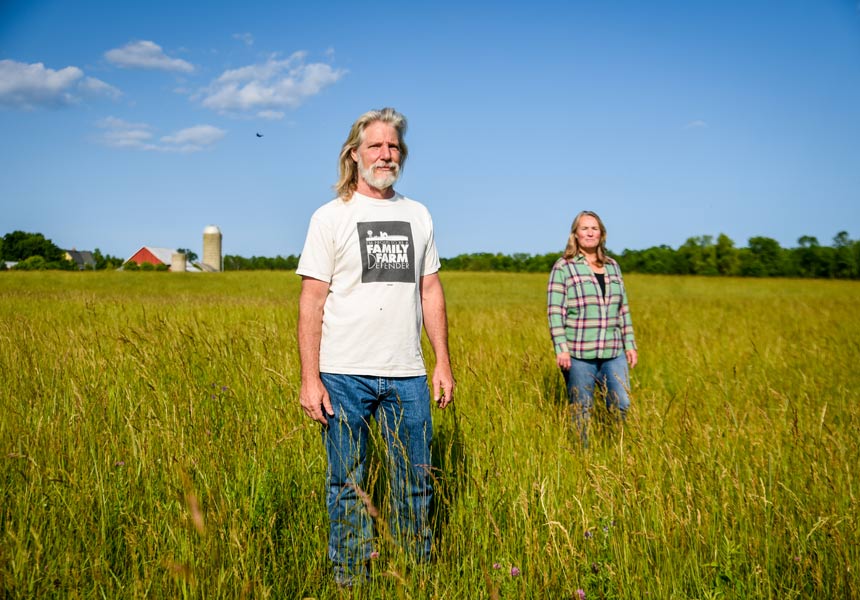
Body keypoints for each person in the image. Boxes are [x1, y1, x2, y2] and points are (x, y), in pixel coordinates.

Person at [296, 107, 455, 586]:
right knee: (347, 484)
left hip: (407, 373)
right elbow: (311, 300)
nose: (387, 155)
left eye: (394, 147)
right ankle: (350, 580)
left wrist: (442, 362)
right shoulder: (330, 217)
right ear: (354, 154)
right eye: (376, 146)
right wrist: (310, 378)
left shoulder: (418, 214)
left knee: (415, 482)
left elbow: (430, 290)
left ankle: (417, 575)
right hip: (343, 374)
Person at [547, 210, 637, 446]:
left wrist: (630, 345)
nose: (590, 232)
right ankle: (582, 456)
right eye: (584, 228)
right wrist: (561, 348)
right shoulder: (564, 267)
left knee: (622, 403)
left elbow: (623, 309)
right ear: (575, 234)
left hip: (613, 351)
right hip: (579, 354)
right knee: (581, 409)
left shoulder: (613, 266)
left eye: (594, 228)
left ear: (602, 234)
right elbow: (555, 311)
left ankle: (617, 449)